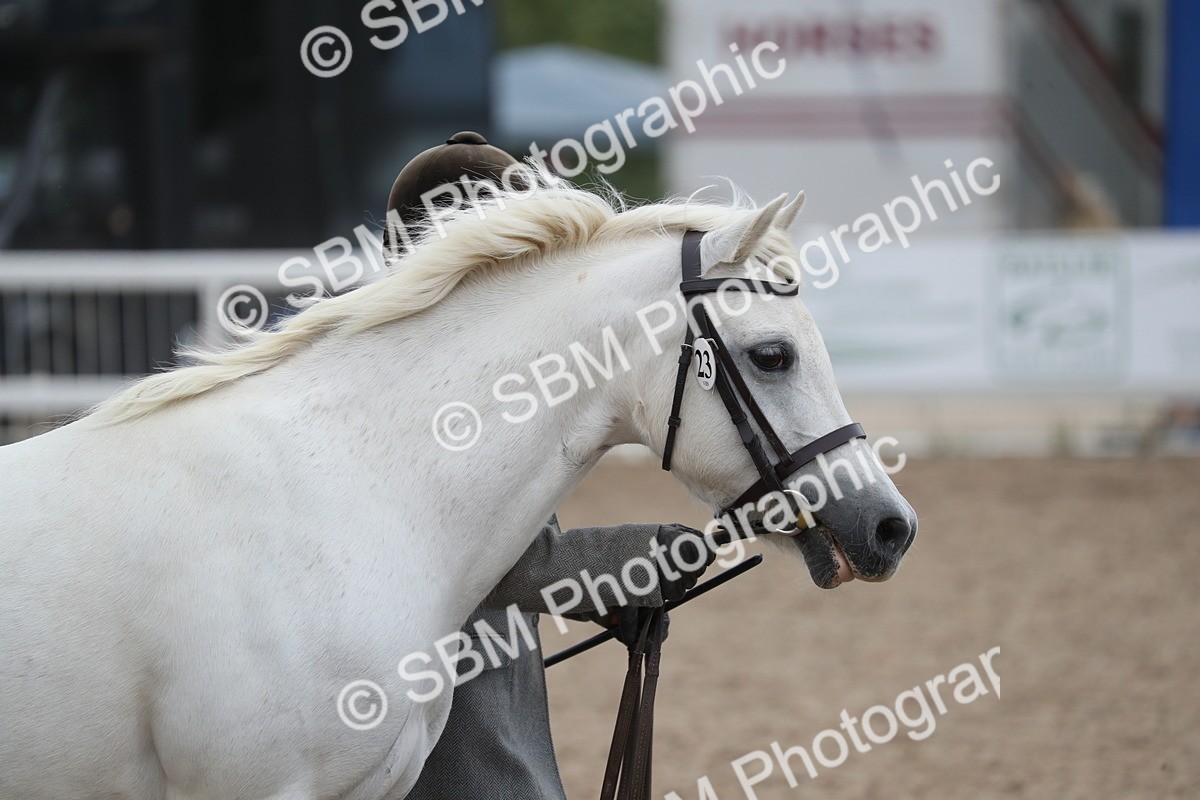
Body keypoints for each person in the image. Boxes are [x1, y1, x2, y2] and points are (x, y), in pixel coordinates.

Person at [389, 132, 715, 799]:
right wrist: (640, 558)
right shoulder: (439, 379)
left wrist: (609, 598)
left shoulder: (435, 357)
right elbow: (516, 565)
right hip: (453, 726)